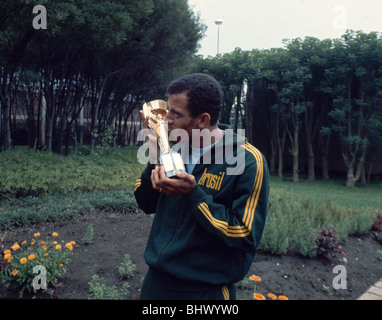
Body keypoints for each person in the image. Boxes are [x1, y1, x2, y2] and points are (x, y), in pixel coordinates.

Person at [134, 73, 269, 300]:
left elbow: (245, 234)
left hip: (206, 292)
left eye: (175, 114)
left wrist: (193, 194)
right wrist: (154, 158)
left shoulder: (247, 161)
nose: (166, 120)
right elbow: (146, 204)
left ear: (203, 120)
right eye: (167, 110)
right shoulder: (175, 149)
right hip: (156, 285)